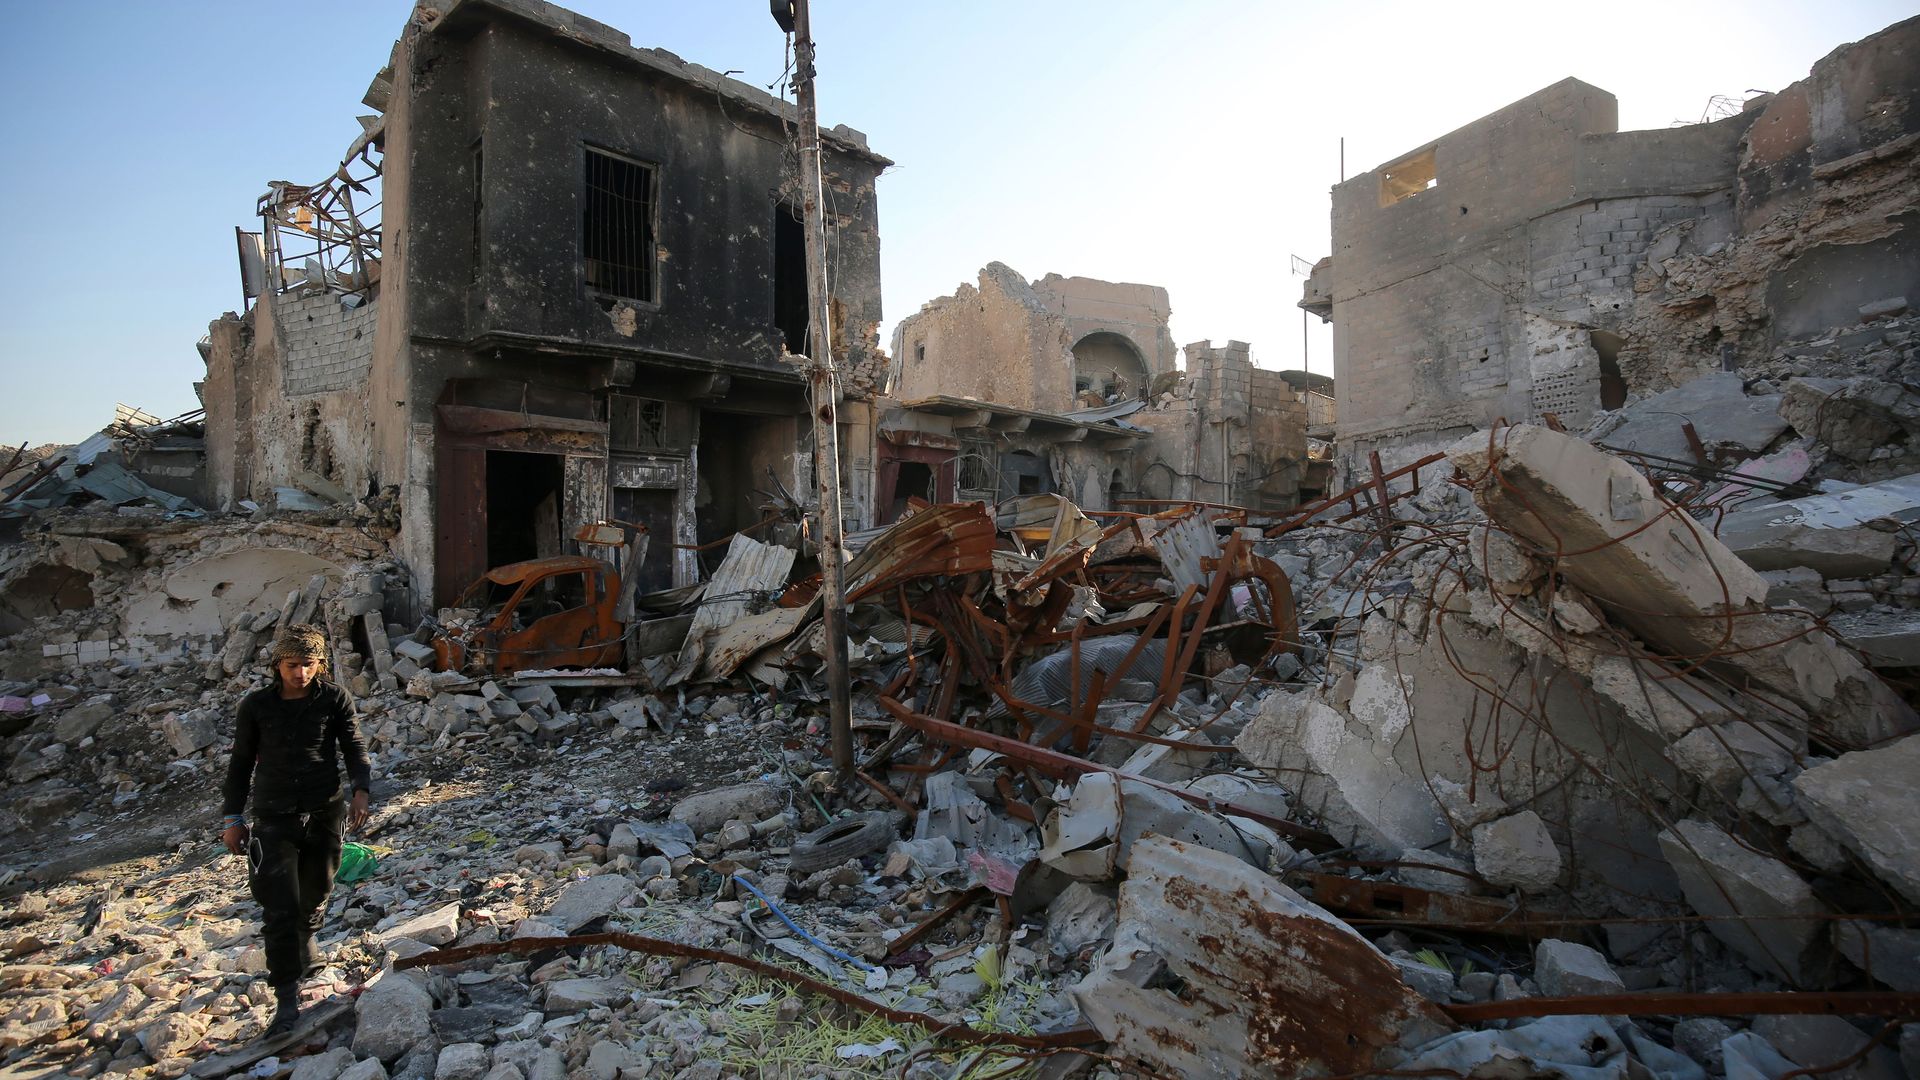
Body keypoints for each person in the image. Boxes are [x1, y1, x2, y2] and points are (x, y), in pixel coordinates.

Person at [220, 623, 372, 1038]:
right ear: (277, 665)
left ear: (320, 664)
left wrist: (361, 790)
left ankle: (309, 942)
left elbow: (353, 747)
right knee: (278, 906)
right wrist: (232, 818)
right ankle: (286, 998)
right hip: (273, 816)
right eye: (292, 665)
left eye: (308, 664)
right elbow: (240, 764)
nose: (300, 673)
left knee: (317, 892)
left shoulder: (334, 699)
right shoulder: (256, 707)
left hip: (325, 810)